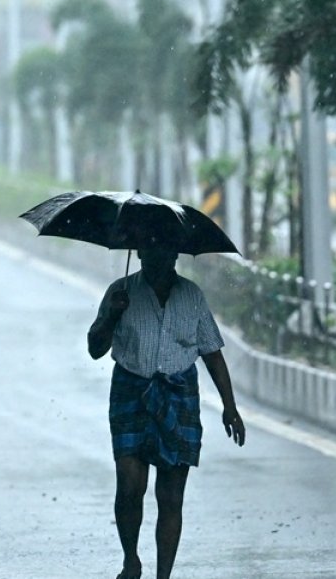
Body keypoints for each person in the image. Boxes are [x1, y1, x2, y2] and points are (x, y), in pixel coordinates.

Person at [88, 245, 245, 579]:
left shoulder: (192, 296)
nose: (156, 260)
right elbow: (95, 349)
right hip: (131, 392)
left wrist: (230, 407)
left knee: (171, 495)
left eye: (163, 252)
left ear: (174, 256)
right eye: (150, 252)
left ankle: (164, 576)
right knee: (130, 485)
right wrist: (113, 314)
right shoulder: (121, 291)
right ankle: (131, 560)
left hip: (179, 395)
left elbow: (211, 353)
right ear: (140, 254)